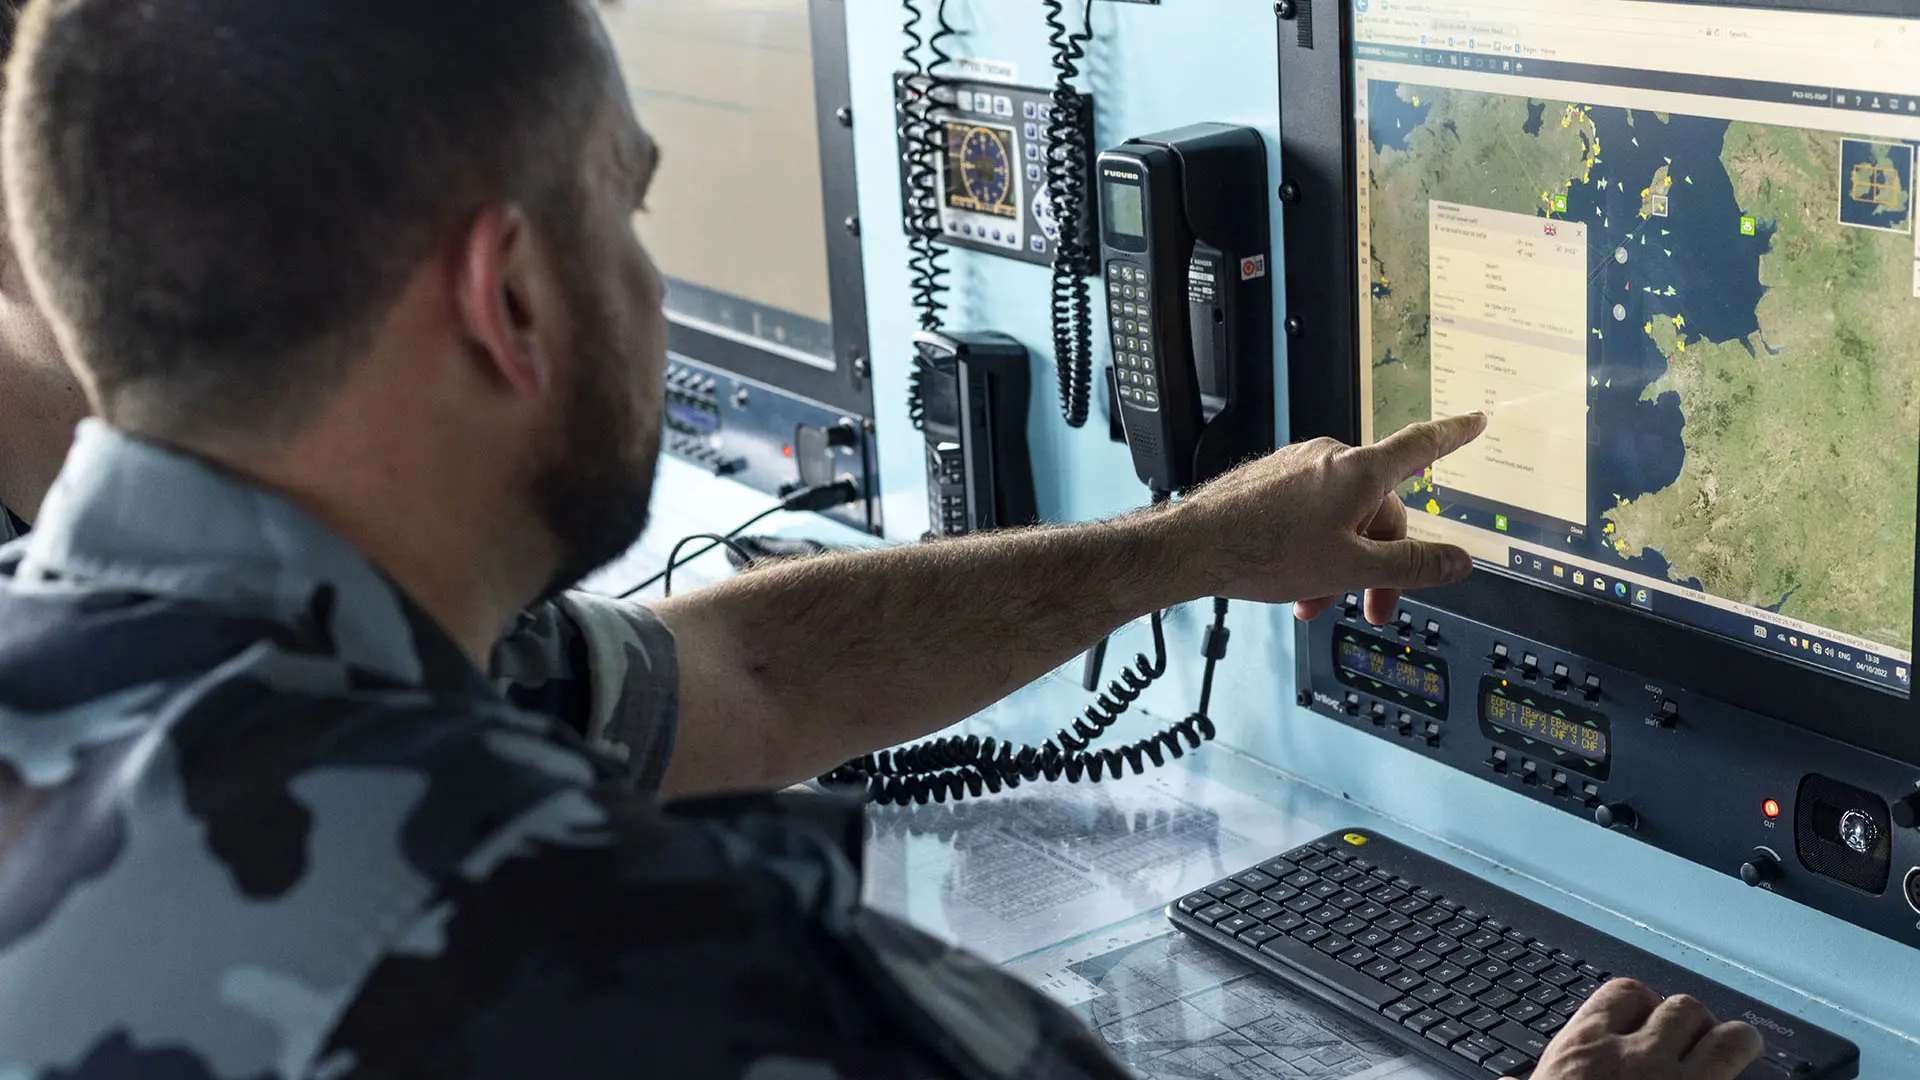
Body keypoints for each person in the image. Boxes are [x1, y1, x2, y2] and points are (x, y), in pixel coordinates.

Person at [0, 1, 1763, 1078]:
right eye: (625, 202)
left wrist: (1185, 546)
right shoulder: (677, 978)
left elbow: (735, 676)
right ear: (510, 294)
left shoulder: (207, 660)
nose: (648, 276)